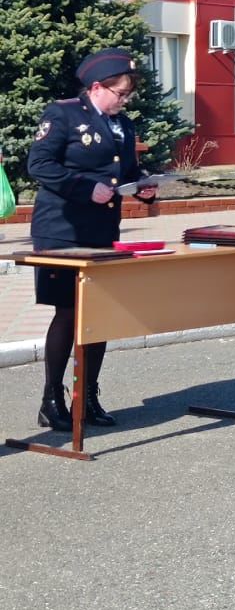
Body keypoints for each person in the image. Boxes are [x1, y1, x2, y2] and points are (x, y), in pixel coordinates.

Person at [28, 49, 158, 431]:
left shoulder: (124, 125)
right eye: (119, 93)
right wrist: (86, 188)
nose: (124, 100)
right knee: (68, 312)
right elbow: (39, 164)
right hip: (62, 230)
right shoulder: (63, 114)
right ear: (97, 87)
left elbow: (128, 171)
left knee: (97, 315)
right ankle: (52, 400)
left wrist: (145, 188)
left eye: (128, 95)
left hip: (102, 233)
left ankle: (87, 396)